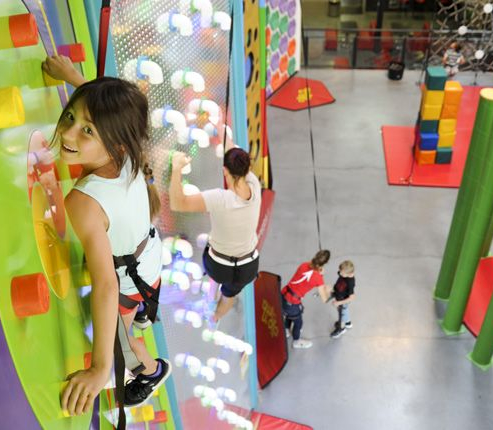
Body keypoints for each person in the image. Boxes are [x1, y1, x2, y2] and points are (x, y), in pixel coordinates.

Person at [42, 56, 171, 417]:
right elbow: (106, 112)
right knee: (133, 305)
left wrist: (101, 369)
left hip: (129, 282)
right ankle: (143, 312)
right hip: (148, 256)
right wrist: (73, 77)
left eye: (86, 131)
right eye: (71, 117)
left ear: (115, 143)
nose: (67, 133)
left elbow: (105, 285)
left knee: (122, 342)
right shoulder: (126, 149)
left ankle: (151, 371)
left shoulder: (83, 203)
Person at [169, 148, 262, 322]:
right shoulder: (254, 186)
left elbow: (177, 203)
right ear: (247, 169)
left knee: (213, 256)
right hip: (248, 266)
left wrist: (177, 168)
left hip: (219, 265)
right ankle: (215, 318)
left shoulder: (218, 198)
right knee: (229, 294)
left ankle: (210, 297)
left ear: (225, 170)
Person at [281, 250, 332, 349]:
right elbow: (325, 299)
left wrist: (319, 273)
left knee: (288, 314)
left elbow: (310, 272)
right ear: (325, 263)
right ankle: (297, 341)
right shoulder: (318, 278)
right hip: (293, 303)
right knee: (298, 322)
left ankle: (286, 330)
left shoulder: (303, 265)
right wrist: (328, 289)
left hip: (283, 294)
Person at [329, 260, 356, 339]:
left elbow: (352, 297)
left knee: (342, 314)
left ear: (349, 274)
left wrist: (339, 303)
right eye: (340, 271)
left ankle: (341, 329)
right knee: (344, 312)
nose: (340, 273)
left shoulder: (350, 283)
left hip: (342, 300)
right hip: (339, 296)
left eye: (342, 273)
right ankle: (348, 323)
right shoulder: (344, 274)